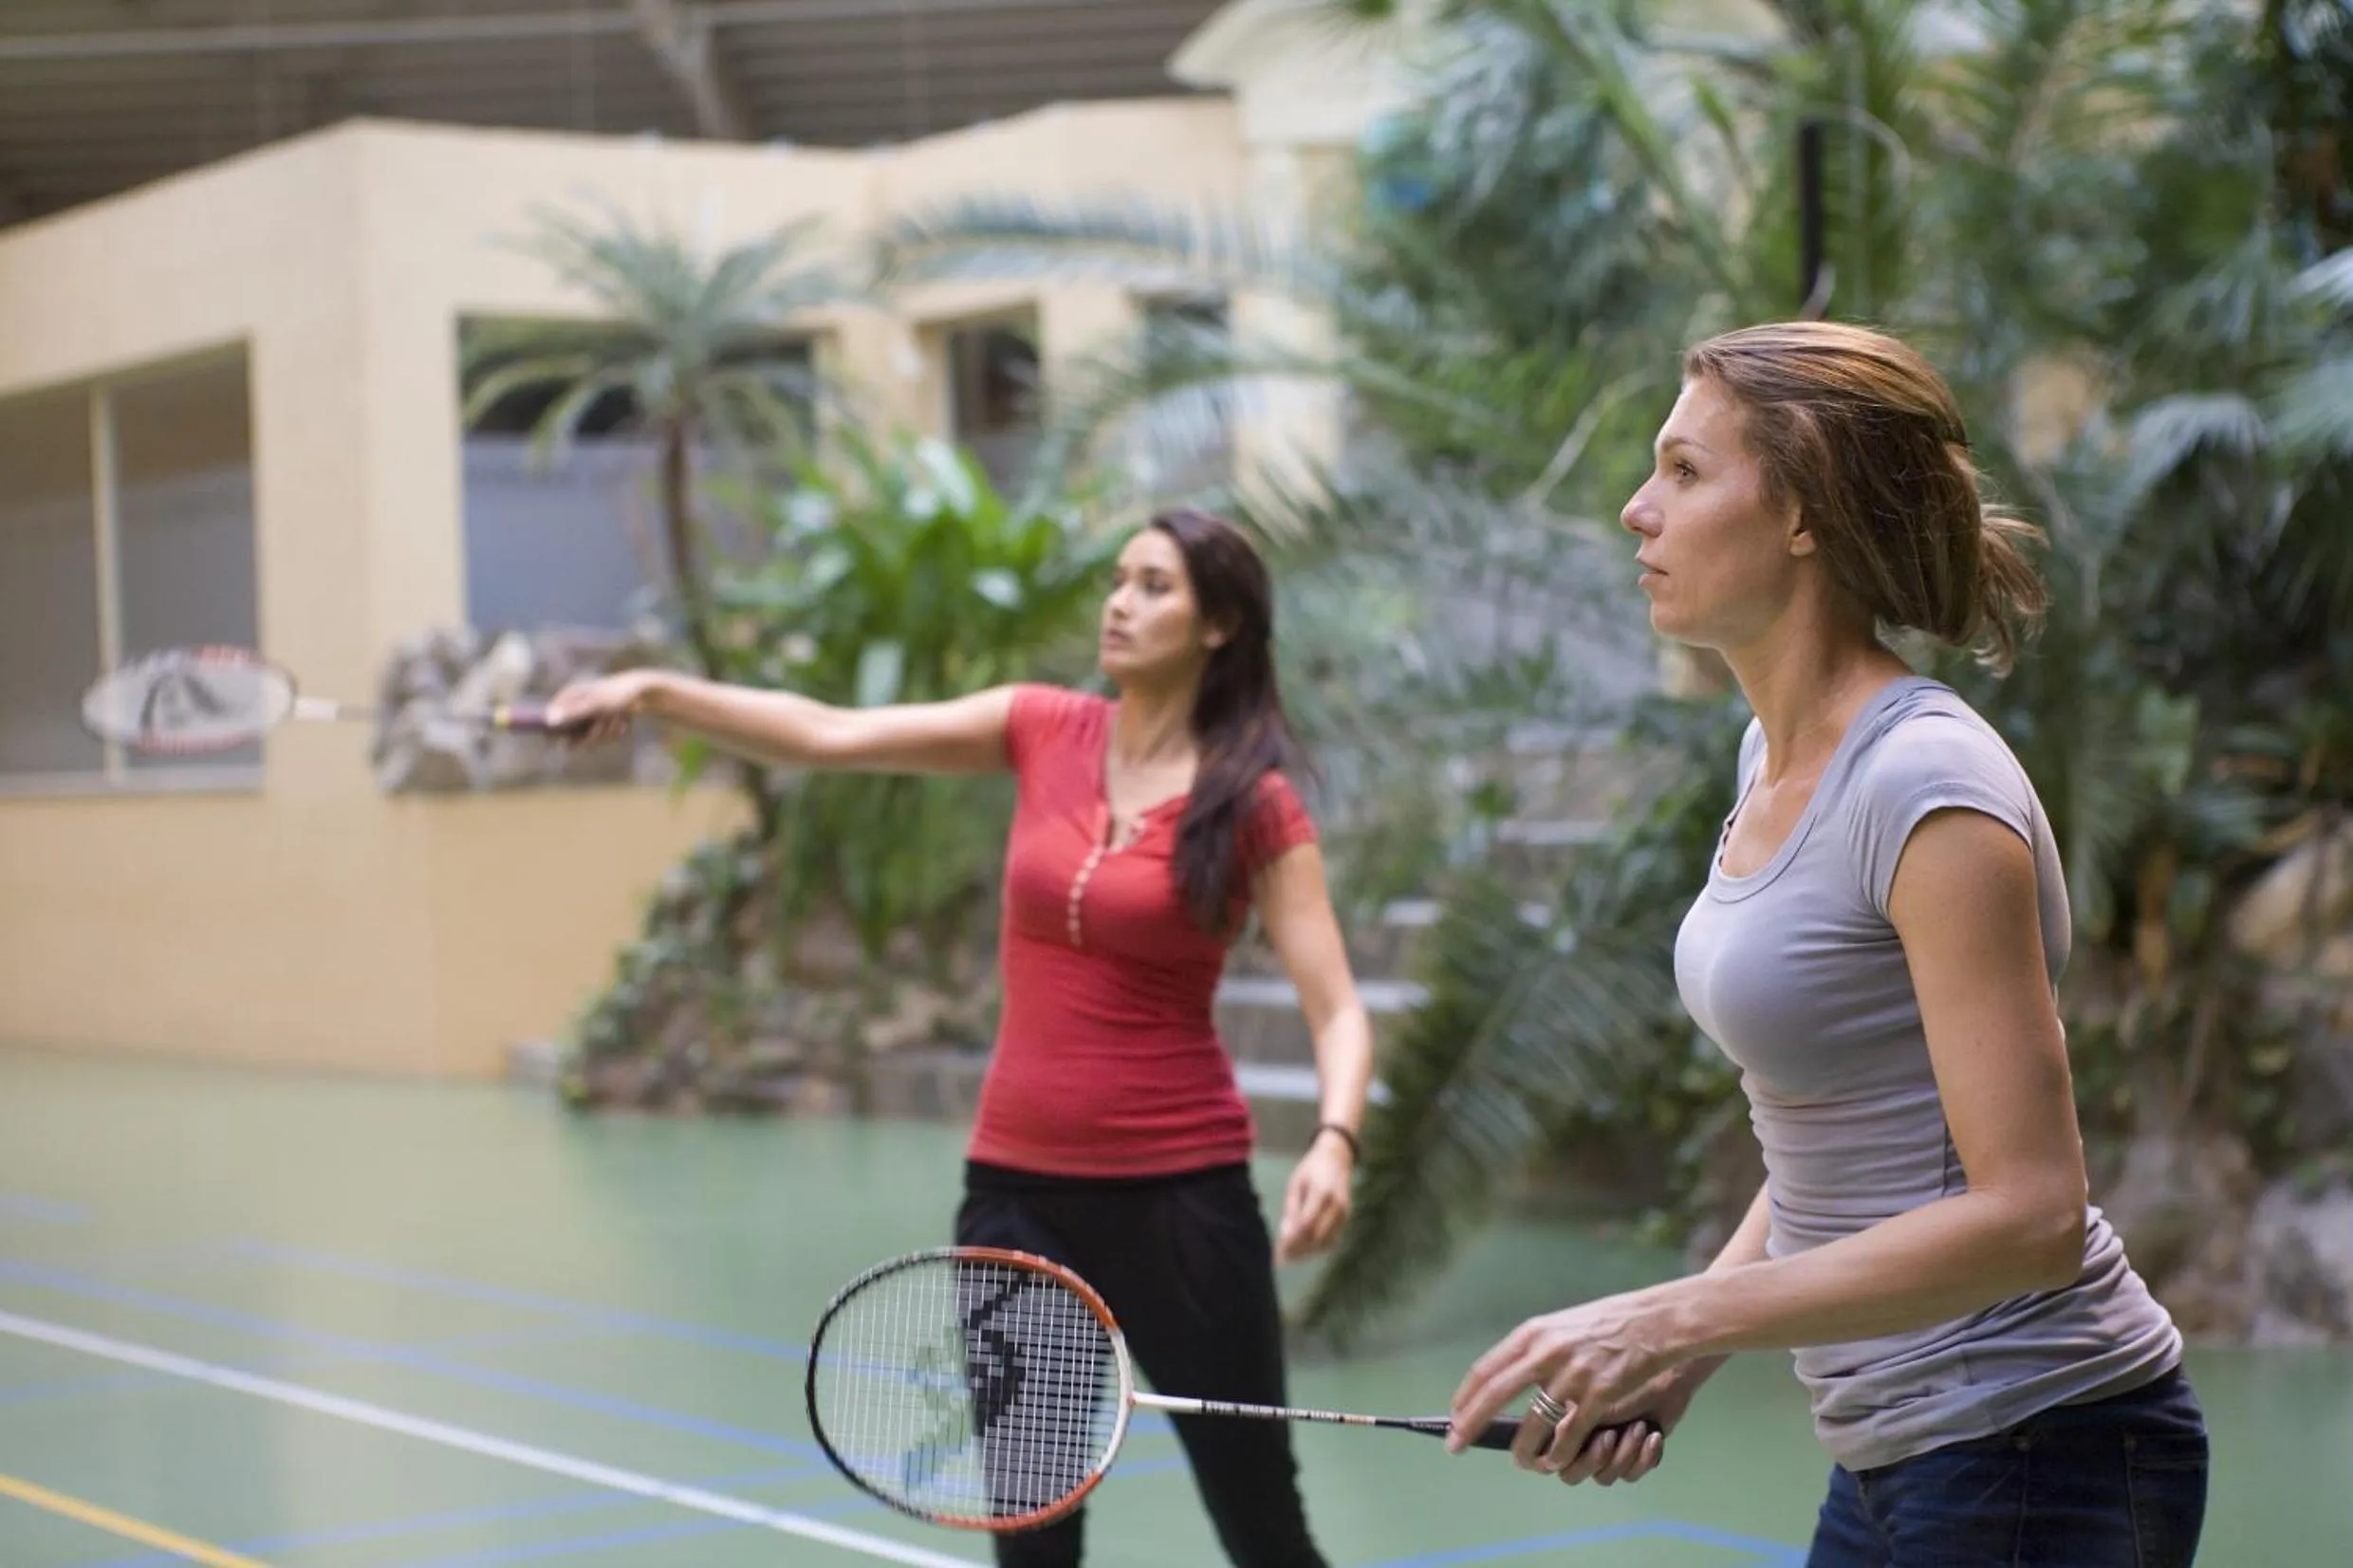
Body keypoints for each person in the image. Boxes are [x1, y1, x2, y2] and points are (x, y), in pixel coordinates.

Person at [1443, 322, 2208, 1566]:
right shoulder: (1769, 758)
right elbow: (1830, 1125)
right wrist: (1681, 1354)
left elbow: (2033, 1215)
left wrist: (1668, 1311)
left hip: (2039, 1442)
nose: (1638, 511)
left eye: (1686, 473)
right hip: (1897, 1451)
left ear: (1803, 514)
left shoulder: (1925, 786)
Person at [548, 507, 1371, 1568]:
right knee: (1029, 1539)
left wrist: (1335, 1140)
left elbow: (1335, 1005)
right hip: (1016, 1194)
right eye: (1117, 580)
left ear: (1218, 624)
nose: (1118, 603)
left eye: (1154, 586)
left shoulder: (1250, 804)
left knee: (1262, 1530)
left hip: (1184, 1197)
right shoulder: (1040, 727)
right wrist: (651, 691)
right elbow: (826, 733)